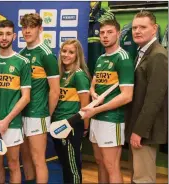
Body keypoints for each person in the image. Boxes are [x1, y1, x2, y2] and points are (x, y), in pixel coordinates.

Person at [81, 19, 134, 183]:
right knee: (100, 162)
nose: (105, 36)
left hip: (112, 120)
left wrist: (97, 110)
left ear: (118, 33)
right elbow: (93, 84)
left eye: (109, 32)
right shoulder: (101, 58)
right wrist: (93, 92)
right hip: (96, 118)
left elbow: (127, 96)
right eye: (102, 33)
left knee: (111, 165)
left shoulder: (123, 58)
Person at [0, 20, 31, 183]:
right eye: (1, 34)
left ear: (14, 36)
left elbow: (26, 97)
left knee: (13, 164)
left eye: (8, 34)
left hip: (12, 124)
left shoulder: (22, 62)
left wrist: (7, 120)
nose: (4, 38)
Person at [125, 11, 168, 183]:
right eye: (135, 27)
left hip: (145, 132)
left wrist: (139, 131)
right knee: (137, 175)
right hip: (137, 127)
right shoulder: (142, 52)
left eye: (143, 27)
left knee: (143, 178)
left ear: (154, 29)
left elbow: (154, 99)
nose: (137, 31)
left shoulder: (158, 55)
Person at [19, 13, 60, 184]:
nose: (27, 31)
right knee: (25, 158)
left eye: (32, 27)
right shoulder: (21, 54)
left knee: (38, 159)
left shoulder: (46, 54)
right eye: (25, 27)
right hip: (21, 114)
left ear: (40, 29)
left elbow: (55, 91)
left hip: (38, 115)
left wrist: (46, 115)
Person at [52, 39, 91, 183]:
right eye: (64, 51)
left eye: (71, 52)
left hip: (71, 126)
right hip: (57, 125)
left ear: (77, 55)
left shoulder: (79, 75)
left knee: (73, 167)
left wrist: (85, 128)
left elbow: (86, 107)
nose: (66, 55)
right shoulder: (61, 75)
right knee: (65, 165)